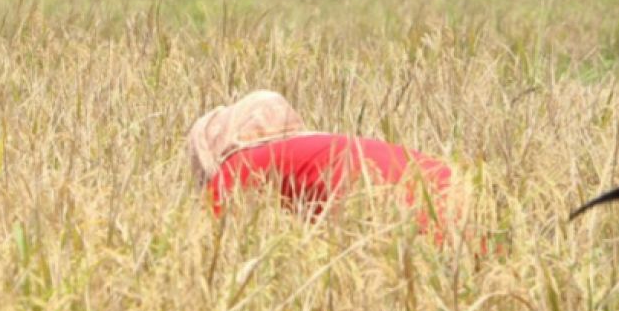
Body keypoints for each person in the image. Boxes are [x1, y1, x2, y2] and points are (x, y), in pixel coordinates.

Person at [187, 90, 452, 233]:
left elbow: (210, 249)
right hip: (459, 192)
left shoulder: (239, 166)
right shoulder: (308, 150)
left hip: (407, 220)